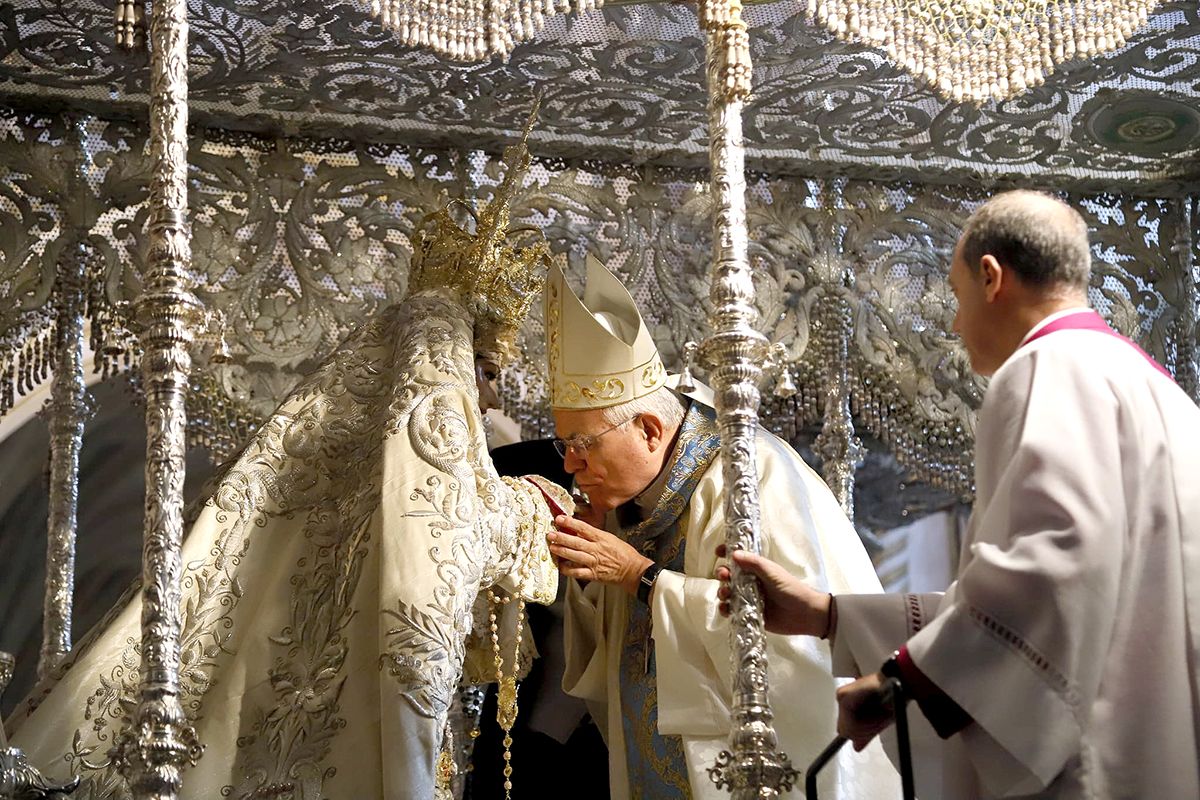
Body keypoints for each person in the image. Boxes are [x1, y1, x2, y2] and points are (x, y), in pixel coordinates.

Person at [4, 130, 572, 800]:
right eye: (483, 371)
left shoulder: (344, 435)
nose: (491, 396)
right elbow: (442, 533)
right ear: (444, 364)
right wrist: (532, 505)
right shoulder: (420, 433)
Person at [719, 190, 1200, 799]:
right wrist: (829, 615)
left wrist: (901, 680)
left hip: (1095, 761)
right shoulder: (1158, 391)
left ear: (992, 277)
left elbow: (1049, 571)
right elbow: (1042, 589)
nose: (954, 321)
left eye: (955, 294)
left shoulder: (1045, 367)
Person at [543, 256, 901, 799]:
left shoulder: (749, 476)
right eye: (563, 446)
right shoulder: (626, 502)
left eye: (583, 446)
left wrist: (641, 577)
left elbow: (788, 650)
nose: (570, 465)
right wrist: (593, 581)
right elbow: (615, 665)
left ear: (647, 428)